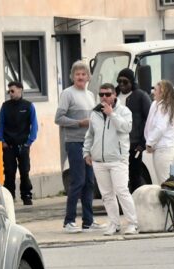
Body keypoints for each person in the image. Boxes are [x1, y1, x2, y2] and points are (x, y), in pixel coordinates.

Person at [83, 83, 139, 236]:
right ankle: (114, 224)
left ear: (114, 95)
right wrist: (86, 152)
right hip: (99, 160)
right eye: (101, 94)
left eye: (107, 94)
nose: (104, 97)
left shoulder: (124, 111)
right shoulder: (94, 113)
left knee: (122, 191)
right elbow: (90, 135)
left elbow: (126, 128)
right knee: (107, 194)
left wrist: (111, 114)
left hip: (118, 159)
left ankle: (133, 223)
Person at [55, 60, 102, 233]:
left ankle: (88, 221)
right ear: (72, 77)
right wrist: (79, 123)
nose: (80, 77)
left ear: (88, 76)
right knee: (78, 181)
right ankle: (69, 221)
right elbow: (58, 118)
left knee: (90, 182)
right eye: (77, 74)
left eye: (83, 74)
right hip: (74, 142)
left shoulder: (90, 95)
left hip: (89, 144)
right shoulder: (67, 94)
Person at [0, 81, 38, 205]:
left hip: (23, 145)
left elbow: (34, 126)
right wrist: (2, 141)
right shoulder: (5, 106)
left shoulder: (28, 106)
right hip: (8, 145)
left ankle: (26, 195)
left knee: (24, 171)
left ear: (20, 90)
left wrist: (29, 142)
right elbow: (1, 124)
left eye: (12, 91)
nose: (10, 93)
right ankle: (10, 196)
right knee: (9, 172)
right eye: (9, 91)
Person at [116, 68, 152, 193]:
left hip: (134, 144)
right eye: (119, 81)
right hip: (117, 145)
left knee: (135, 176)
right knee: (120, 177)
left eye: (125, 82)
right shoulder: (114, 95)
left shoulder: (141, 96)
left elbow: (150, 120)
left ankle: (137, 203)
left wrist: (143, 143)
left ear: (132, 82)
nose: (121, 84)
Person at [144, 79, 174, 185]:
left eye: (155, 89)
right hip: (160, 149)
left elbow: (160, 128)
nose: (152, 92)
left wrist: (149, 143)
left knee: (165, 183)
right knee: (164, 182)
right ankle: (168, 202)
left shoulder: (165, 107)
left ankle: (170, 202)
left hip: (163, 150)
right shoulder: (158, 105)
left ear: (162, 92)